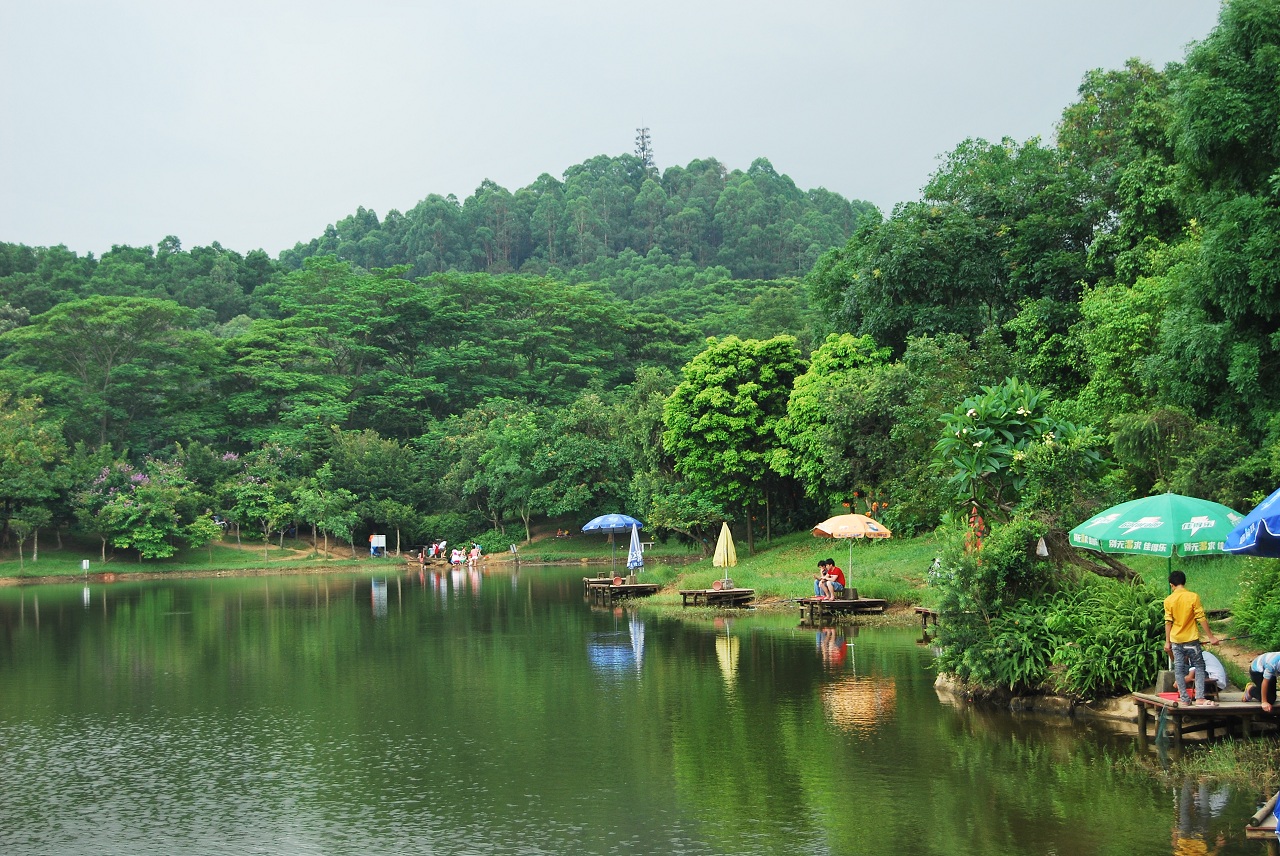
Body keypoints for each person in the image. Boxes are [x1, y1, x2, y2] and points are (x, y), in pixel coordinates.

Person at [1163, 570, 1220, 707]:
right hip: (1191, 640)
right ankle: (1199, 698)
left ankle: (1184, 699)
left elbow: (1168, 622)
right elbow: (1201, 618)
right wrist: (1211, 637)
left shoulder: (1168, 600)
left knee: (1179, 668)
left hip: (1176, 640)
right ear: (1184, 582)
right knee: (1199, 666)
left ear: (1172, 585)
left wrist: (1167, 641)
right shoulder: (1193, 597)